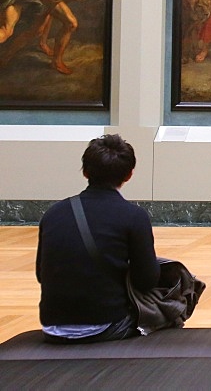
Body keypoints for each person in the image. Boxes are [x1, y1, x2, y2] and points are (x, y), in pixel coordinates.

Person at [35, 134, 159, 343]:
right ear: (129, 174)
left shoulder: (53, 213)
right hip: (106, 325)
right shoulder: (133, 216)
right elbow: (147, 280)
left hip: (52, 326)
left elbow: (41, 274)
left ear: (85, 172)